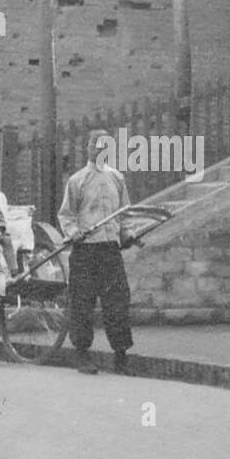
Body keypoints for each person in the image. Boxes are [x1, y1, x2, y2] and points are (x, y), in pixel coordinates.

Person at [57, 129, 138, 375]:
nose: (100, 148)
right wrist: (73, 233)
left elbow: (124, 214)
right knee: (82, 303)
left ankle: (120, 356)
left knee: (117, 302)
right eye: (96, 144)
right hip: (85, 250)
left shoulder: (117, 178)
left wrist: (127, 233)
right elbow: (67, 215)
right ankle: (82, 355)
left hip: (109, 250)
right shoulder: (77, 180)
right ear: (88, 148)